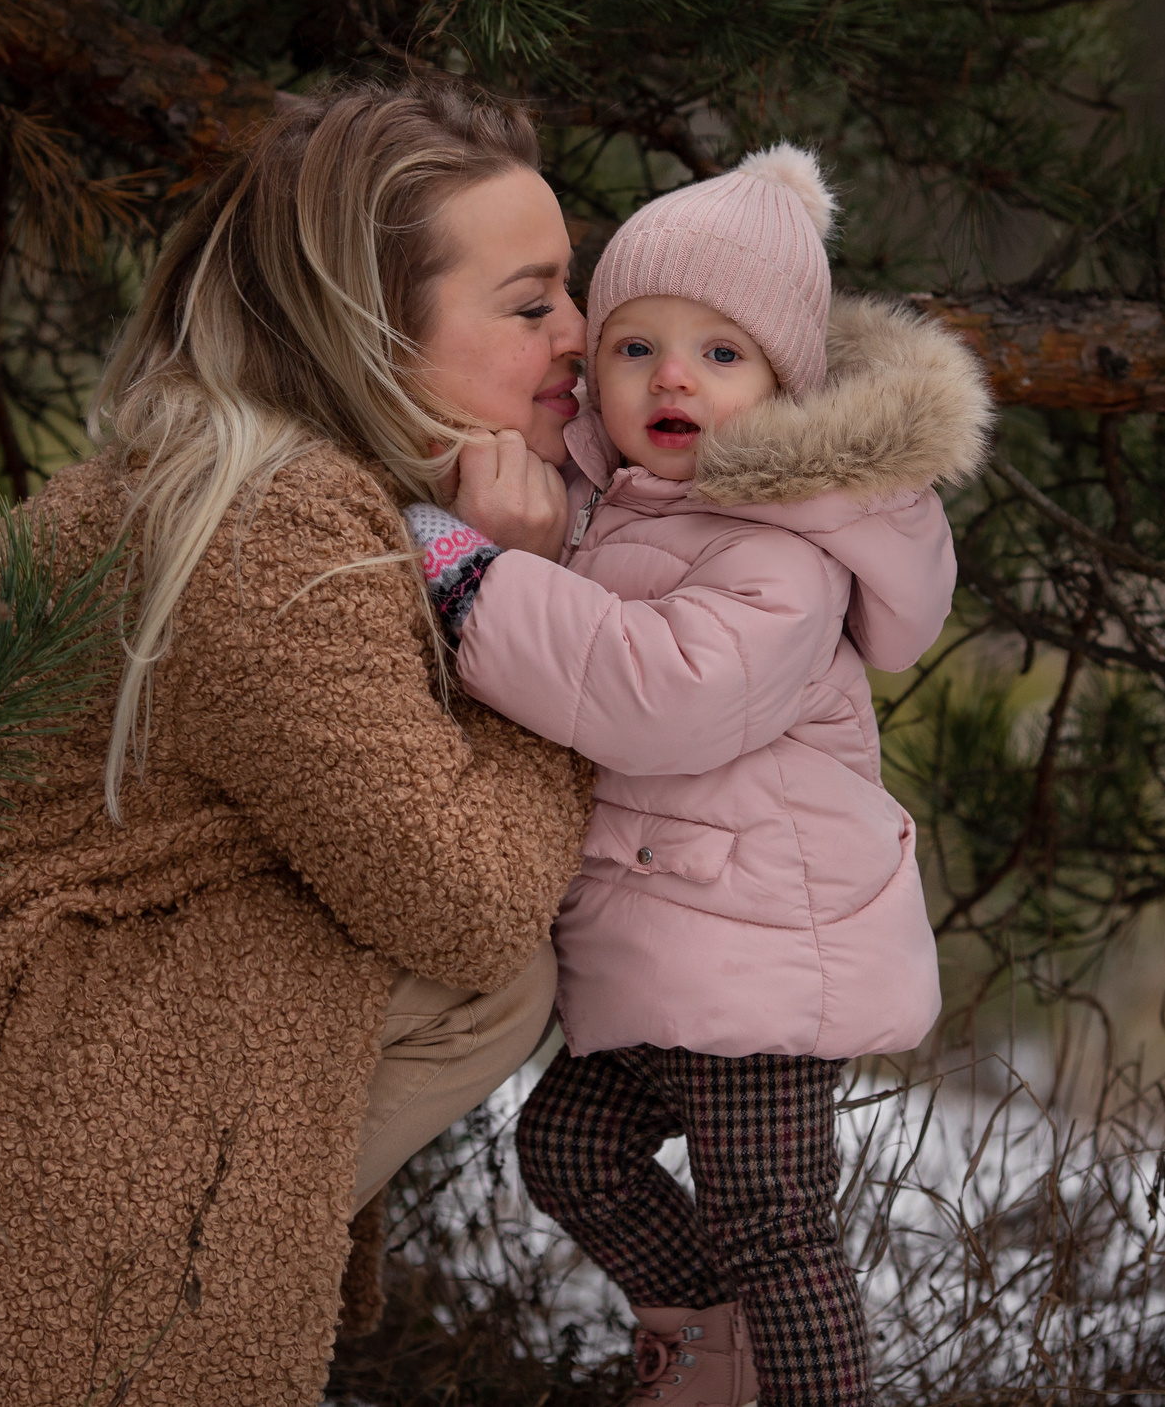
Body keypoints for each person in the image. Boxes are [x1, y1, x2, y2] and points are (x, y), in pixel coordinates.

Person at [0, 77, 596, 1407]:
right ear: (368, 324)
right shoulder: (284, 520)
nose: (582, 338)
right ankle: (127, 1329)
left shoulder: (235, 474)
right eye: (532, 303)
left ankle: (149, 1297)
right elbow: (466, 900)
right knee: (493, 967)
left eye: (573, 291)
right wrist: (531, 611)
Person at [409, 146, 995, 1406]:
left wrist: (470, 578)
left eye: (722, 355)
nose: (672, 375)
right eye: (635, 348)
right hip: (666, 942)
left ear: (786, 386)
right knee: (570, 1150)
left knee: (775, 1231)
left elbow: (661, 698)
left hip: (763, 949)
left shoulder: (783, 551)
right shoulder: (615, 501)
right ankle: (712, 1365)